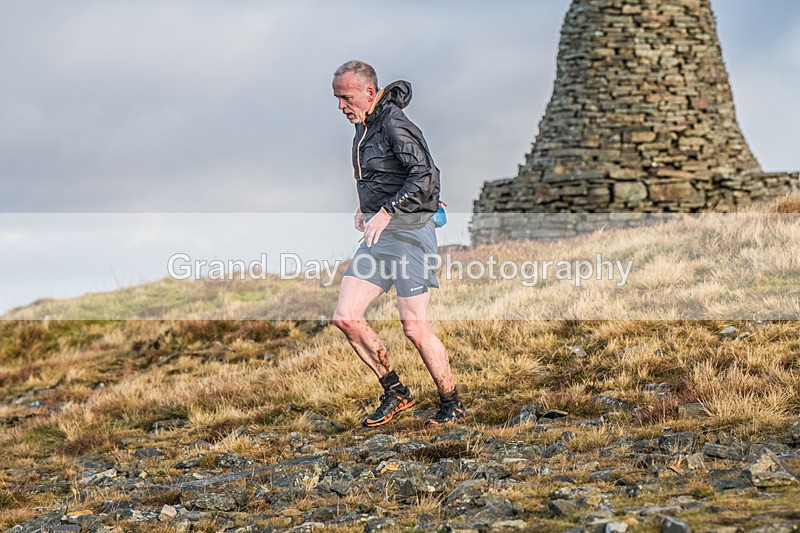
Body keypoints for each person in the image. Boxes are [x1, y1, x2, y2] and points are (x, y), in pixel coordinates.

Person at [331, 60, 469, 427]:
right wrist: (364, 208)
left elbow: (425, 175)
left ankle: (451, 402)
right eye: (337, 99)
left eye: (346, 97)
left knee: (414, 327)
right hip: (379, 236)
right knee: (346, 317)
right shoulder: (363, 127)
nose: (341, 106)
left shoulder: (394, 123)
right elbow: (382, 174)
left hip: (410, 234)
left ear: (369, 93)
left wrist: (387, 212)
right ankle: (396, 391)